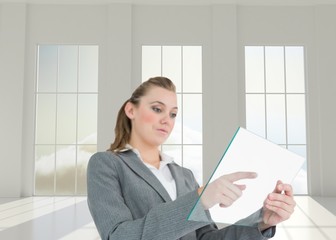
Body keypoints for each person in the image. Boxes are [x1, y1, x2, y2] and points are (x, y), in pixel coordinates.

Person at [87, 76, 296, 240]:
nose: (166, 120)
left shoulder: (184, 175)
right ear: (131, 110)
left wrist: (262, 222)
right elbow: (119, 236)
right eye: (157, 109)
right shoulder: (106, 164)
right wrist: (199, 200)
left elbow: (207, 239)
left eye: (173, 114)